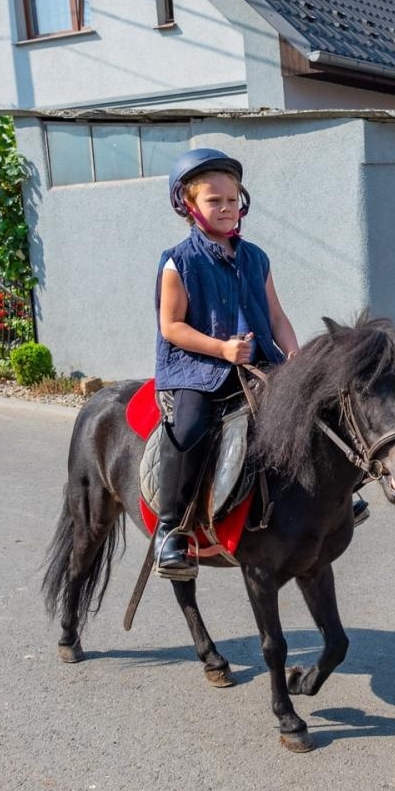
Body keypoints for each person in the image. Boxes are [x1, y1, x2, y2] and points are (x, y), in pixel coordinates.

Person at [151, 147, 302, 580]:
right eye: (214, 200)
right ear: (188, 205)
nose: (226, 208)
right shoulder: (180, 261)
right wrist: (221, 349)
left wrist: (293, 353)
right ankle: (171, 530)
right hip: (198, 368)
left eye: (232, 199)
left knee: (305, 407)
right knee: (190, 428)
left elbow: (275, 314)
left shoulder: (256, 257)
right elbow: (171, 327)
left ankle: (330, 498)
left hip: (257, 361)